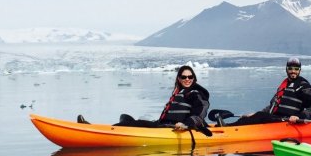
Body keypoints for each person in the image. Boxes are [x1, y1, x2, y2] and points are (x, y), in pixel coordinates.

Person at [77, 65, 211, 135]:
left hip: (177, 129)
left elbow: (199, 115)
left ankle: (94, 131)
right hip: (163, 126)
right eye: (184, 76)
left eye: (190, 76)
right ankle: (94, 128)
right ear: (179, 79)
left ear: (194, 77)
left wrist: (185, 124)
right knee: (130, 120)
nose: (187, 79)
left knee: (137, 123)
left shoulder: (197, 94)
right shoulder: (179, 93)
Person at [233, 57, 311, 125]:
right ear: (286, 69)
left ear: (299, 70)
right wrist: (254, 114)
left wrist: (299, 116)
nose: (293, 71)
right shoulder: (283, 86)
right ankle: (227, 127)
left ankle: (229, 130)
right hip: (276, 119)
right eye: (290, 68)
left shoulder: (305, 87)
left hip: (289, 122)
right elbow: (272, 106)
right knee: (247, 118)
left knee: (261, 116)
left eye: (296, 69)